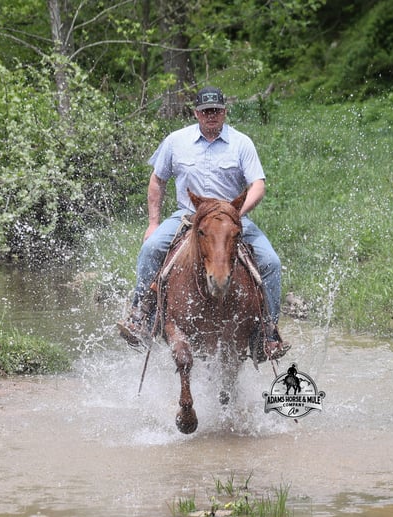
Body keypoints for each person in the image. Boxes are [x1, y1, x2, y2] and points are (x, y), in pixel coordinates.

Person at [117, 86, 290, 360]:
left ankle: (266, 332)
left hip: (231, 218)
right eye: (206, 111)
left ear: (224, 112)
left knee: (271, 262)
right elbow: (157, 180)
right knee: (151, 249)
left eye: (217, 111)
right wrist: (153, 223)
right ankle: (141, 314)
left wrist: (236, 213)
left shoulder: (241, 142)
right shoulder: (176, 140)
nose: (212, 116)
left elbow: (257, 184)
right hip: (188, 216)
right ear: (196, 113)